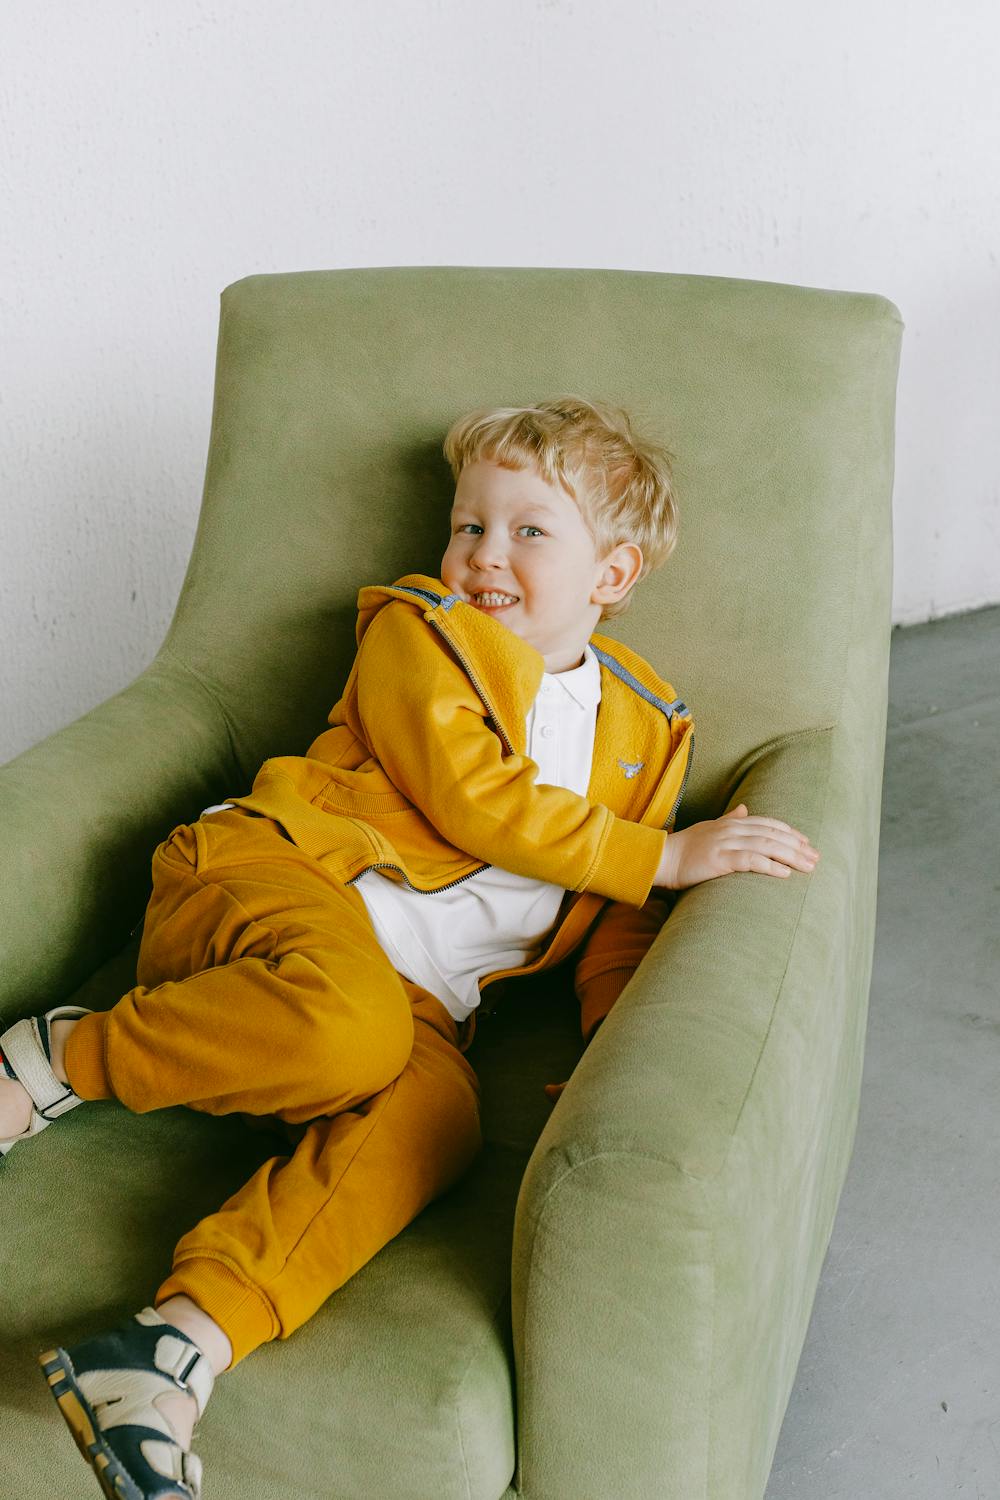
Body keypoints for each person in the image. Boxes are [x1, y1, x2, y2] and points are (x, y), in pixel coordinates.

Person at [0, 395, 819, 1500]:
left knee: (442, 1116)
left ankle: (168, 1354)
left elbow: (614, 921)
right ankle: (57, 1057)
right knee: (349, 1027)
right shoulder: (417, 631)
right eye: (468, 523)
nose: (483, 553)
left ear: (611, 576)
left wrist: (606, 1053)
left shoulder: (646, 729)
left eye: (529, 530)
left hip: (415, 1005)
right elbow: (480, 802)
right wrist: (665, 856)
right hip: (271, 882)